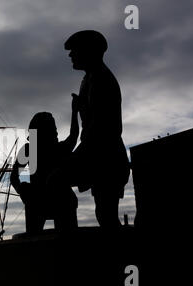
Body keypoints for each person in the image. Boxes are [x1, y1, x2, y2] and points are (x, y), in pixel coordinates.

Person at [63, 30, 130, 229]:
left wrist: (76, 157)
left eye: (74, 50)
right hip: (99, 156)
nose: (70, 55)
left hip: (106, 157)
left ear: (88, 51)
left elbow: (103, 130)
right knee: (105, 214)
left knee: (106, 214)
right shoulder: (89, 79)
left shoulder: (101, 79)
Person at [10, 107, 79, 234]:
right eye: (53, 129)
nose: (56, 132)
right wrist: (22, 190)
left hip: (54, 199)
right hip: (40, 199)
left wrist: (22, 190)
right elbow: (74, 135)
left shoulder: (32, 150)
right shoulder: (30, 150)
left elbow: (14, 177)